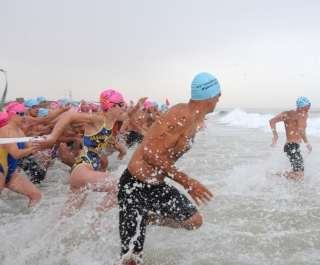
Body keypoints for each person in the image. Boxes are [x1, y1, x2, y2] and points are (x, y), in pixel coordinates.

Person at [117, 72, 219, 264]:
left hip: (155, 186)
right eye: (218, 95)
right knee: (131, 258)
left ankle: (147, 218)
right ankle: (139, 219)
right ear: (210, 97)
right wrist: (187, 181)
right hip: (134, 186)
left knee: (193, 221)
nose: (219, 100)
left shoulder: (190, 117)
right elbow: (151, 153)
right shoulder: (180, 115)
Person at [39, 90, 147, 222]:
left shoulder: (112, 119)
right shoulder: (98, 119)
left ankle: (45, 238)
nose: (124, 107)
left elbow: (129, 115)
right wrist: (52, 138)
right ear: (111, 106)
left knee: (63, 220)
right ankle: (95, 220)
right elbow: (69, 116)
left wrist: (138, 105)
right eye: (120, 104)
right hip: (83, 169)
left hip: (83, 172)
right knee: (124, 185)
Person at [0, 103, 42, 208]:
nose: (25, 117)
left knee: (36, 195)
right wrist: (32, 148)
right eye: (21, 114)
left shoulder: (19, 131)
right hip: (0, 173)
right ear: (12, 115)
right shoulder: (6, 131)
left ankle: (28, 222)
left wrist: (42, 141)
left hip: (10, 174)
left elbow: (30, 148)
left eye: (26, 114)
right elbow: (15, 153)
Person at [269, 96, 312, 181]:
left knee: (296, 174)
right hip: (293, 147)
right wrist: (307, 143)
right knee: (299, 176)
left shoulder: (287, 113)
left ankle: (276, 174)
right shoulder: (303, 113)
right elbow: (300, 129)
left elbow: (272, 121)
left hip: (288, 147)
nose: (310, 107)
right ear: (303, 106)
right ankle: (273, 172)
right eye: (309, 104)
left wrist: (275, 135)